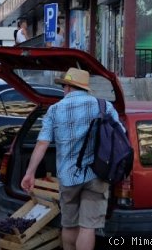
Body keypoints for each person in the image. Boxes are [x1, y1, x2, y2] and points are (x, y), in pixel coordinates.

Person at [21, 68, 122, 250]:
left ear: (68, 87)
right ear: (84, 88)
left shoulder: (54, 110)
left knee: (69, 225)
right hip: (97, 175)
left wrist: (30, 173)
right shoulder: (104, 106)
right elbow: (121, 136)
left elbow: (42, 144)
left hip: (68, 177)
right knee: (88, 227)